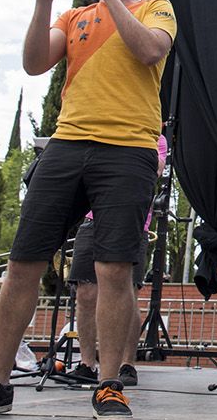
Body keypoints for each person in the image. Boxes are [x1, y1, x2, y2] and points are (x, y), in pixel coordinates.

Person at [0, 0, 175, 420]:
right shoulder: (73, 17)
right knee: (23, 262)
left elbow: (150, 51)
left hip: (128, 148)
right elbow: (33, 64)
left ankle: (109, 384)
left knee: (113, 269)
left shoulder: (155, 8)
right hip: (67, 143)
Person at [66, 134, 165, 389]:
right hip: (92, 219)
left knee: (126, 291)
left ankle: (126, 364)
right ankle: (87, 364)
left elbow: (153, 170)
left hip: (131, 221)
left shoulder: (157, 139)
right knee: (85, 292)